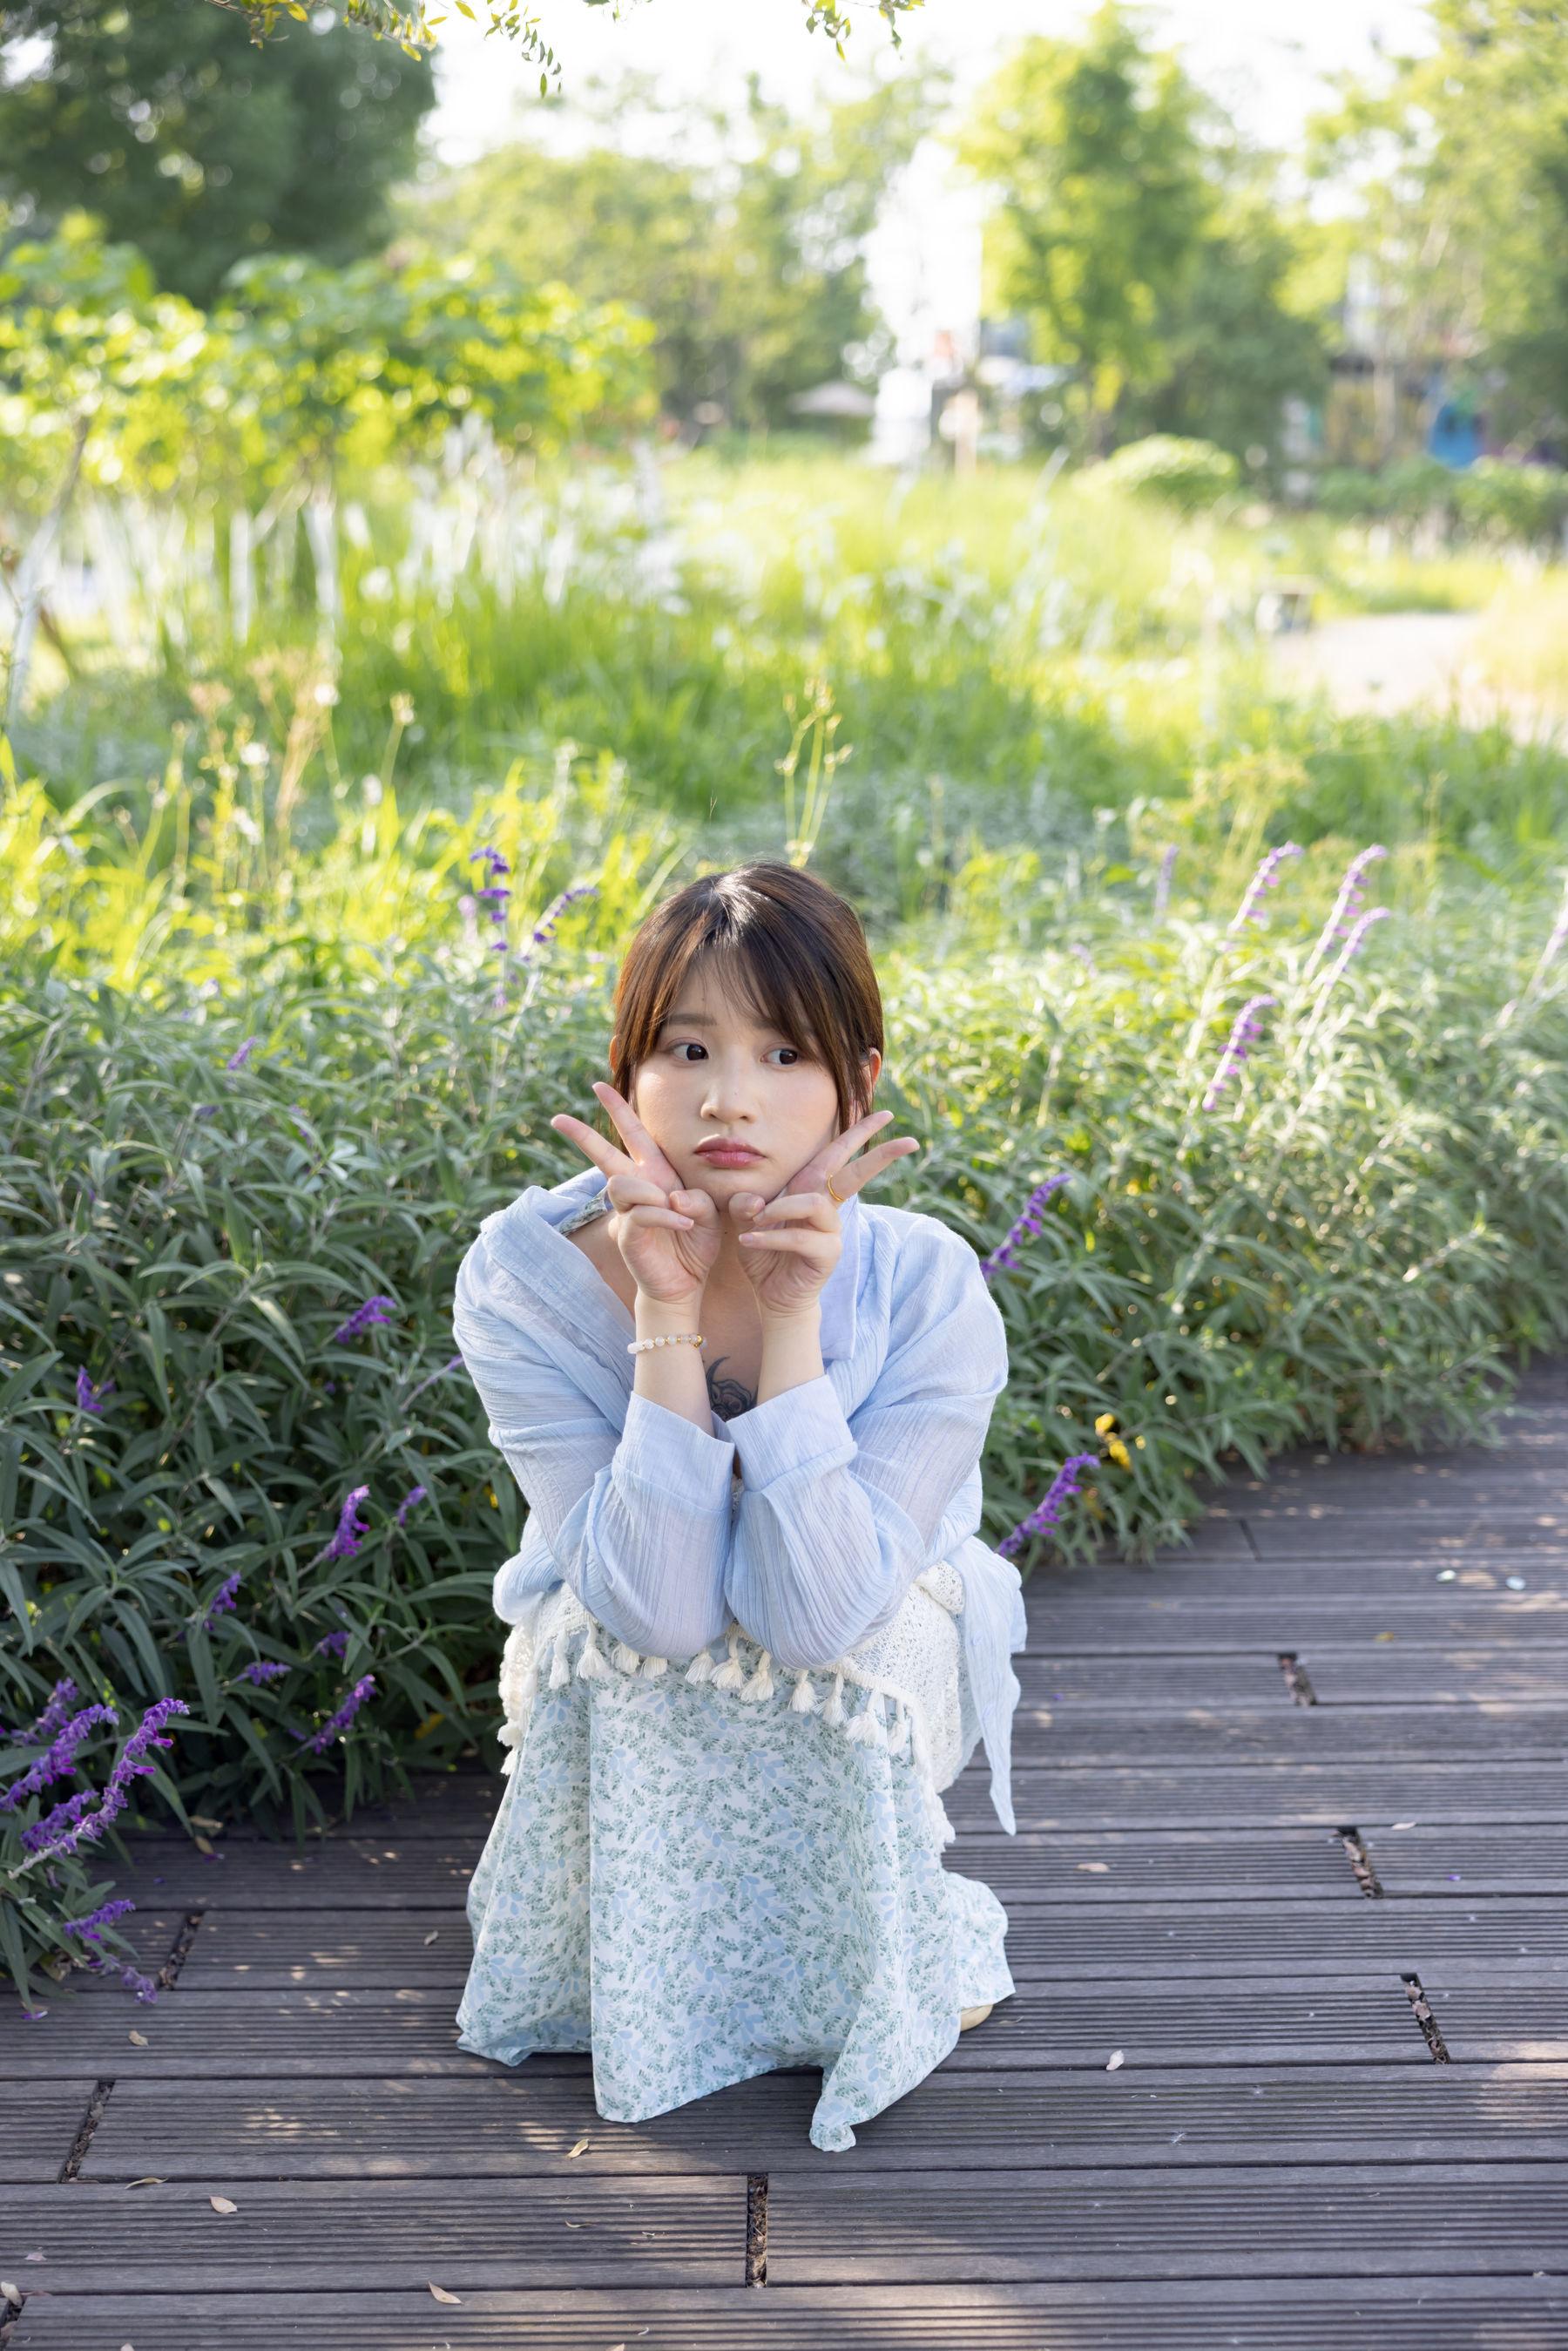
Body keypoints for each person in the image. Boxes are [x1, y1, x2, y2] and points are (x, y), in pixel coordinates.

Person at [451, 862, 1026, 2152]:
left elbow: (818, 1615)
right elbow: (655, 1608)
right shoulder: (520, 1278)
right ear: (627, 1067)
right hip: (621, 1601)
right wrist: (664, 1307)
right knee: (615, 1644)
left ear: (857, 1084)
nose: (728, 1098)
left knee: (853, 1643)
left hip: (872, 1602)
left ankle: (858, 1957)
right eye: (688, 1047)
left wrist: (789, 1319)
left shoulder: (927, 1285)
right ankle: (618, 1955)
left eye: (783, 1053)